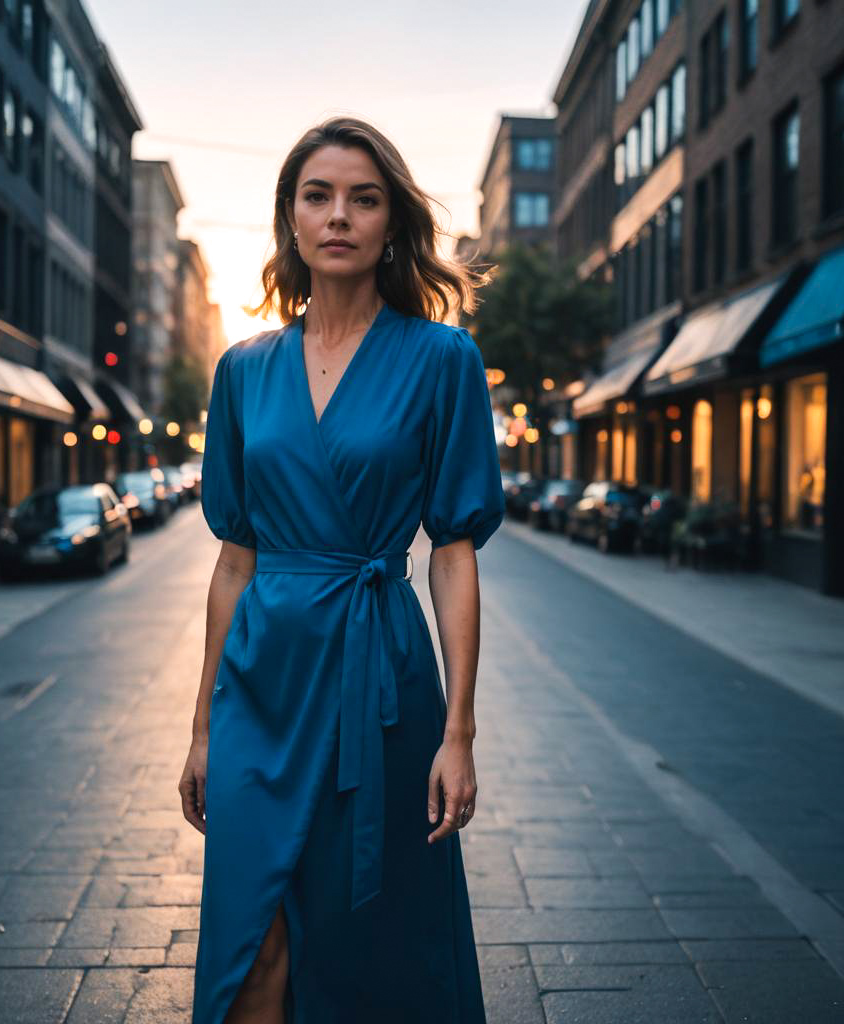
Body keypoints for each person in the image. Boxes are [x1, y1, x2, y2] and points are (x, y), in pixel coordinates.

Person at [179, 116, 505, 1023]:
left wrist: (460, 733)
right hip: (264, 683)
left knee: (372, 930)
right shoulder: (243, 370)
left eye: (364, 199)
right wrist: (204, 727)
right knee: (252, 933)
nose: (339, 216)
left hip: (382, 679)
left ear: (392, 223)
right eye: (317, 196)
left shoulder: (444, 360)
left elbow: (453, 552)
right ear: (288, 220)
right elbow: (233, 560)